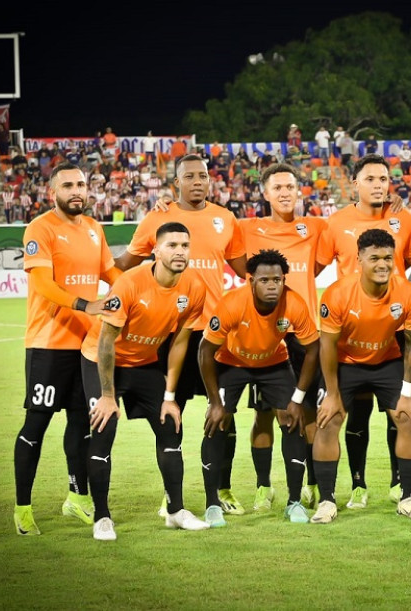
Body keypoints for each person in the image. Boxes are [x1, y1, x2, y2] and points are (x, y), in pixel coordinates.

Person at [115, 154, 247, 516]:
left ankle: (223, 488)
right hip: (173, 334)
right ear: (176, 183)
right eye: (189, 176)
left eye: (202, 176)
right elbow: (125, 264)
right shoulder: (158, 217)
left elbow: (245, 269)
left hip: (217, 333)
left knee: (223, 413)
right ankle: (171, 494)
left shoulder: (226, 219)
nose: (197, 182)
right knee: (171, 413)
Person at [13, 162, 122, 536]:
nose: (77, 191)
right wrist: (85, 305)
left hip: (88, 347)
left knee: (81, 423)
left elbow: (113, 276)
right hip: (48, 344)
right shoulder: (39, 228)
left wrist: (139, 292)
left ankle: (77, 497)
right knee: (36, 424)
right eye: (69, 185)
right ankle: (23, 507)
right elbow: (44, 284)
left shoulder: (94, 228)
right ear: (52, 192)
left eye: (82, 184)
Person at [81, 222, 209, 540]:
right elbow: (106, 342)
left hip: (145, 363)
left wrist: (169, 395)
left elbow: (179, 342)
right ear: (156, 250)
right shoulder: (130, 283)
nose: (179, 251)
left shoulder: (194, 286)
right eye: (171, 245)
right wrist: (108, 396)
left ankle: (175, 511)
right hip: (102, 361)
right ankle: (101, 517)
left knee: (170, 425)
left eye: (184, 245)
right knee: (104, 427)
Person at [316, 154, 411, 509]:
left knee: (401, 413)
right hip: (348, 329)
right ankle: (357, 485)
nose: (379, 184)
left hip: (393, 324)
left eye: (383, 178)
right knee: (354, 414)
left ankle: (399, 485)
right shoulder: (336, 223)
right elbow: (310, 267)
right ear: (355, 184)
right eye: (371, 178)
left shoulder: (404, 219)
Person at [199, 249, 320, 527]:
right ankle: (212, 505)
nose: (272, 286)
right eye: (265, 280)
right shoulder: (232, 303)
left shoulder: (295, 303)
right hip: (232, 362)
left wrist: (298, 399)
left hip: (274, 363)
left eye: (277, 280)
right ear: (250, 280)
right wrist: (215, 402)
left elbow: (313, 350)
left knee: (292, 420)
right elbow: (205, 350)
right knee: (216, 422)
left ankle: (294, 502)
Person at [239, 163, 327, 509]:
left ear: (299, 189)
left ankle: (313, 485)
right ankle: (264, 486)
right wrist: (165, 207)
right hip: (266, 334)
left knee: (309, 414)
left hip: (305, 336)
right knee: (265, 414)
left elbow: (359, 224)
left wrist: (390, 207)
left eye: (290, 186)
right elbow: (201, 226)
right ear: (265, 193)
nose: (285, 192)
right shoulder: (247, 228)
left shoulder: (317, 227)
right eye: (277, 188)